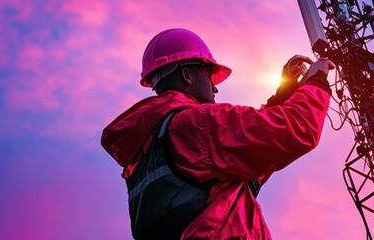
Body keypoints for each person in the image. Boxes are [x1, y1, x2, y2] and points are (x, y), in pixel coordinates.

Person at [101, 28, 334, 239]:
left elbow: (249, 157)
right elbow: (296, 128)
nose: (215, 87)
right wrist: (317, 80)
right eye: (210, 75)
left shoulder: (144, 154)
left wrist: (284, 95)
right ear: (187, 76)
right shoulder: (196, 125)